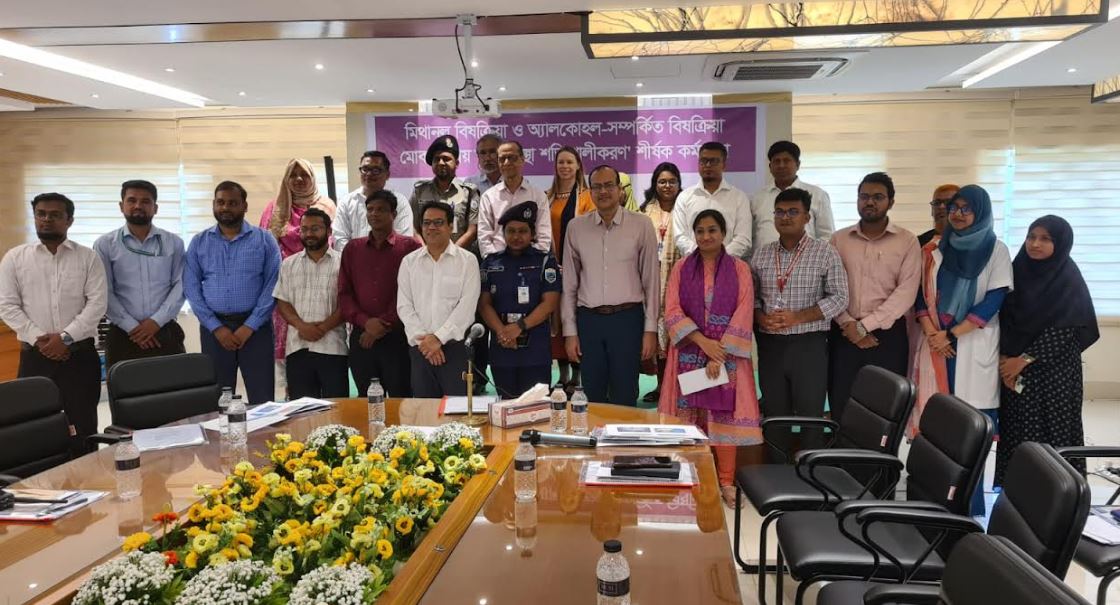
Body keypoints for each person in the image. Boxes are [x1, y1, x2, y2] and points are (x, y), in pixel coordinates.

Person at [911, 184, 1012, 516]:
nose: (956, 213)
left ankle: (967, 502)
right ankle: (932, 497)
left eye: (966, 208)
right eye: (954, 207)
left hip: (969, 344)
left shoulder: (996, 250)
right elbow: (920, 296)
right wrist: (933, 333)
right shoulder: (935, 248)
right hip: (936, 345)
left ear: (980, 212)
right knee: (937, 426)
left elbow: (994, 300)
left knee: (970, 429)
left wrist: (951, 335)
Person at [658, 209, 761, 507]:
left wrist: (720, 354)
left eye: (712, 230)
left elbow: (744, 311)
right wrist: (704, 344)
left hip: (728, 358)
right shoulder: (681, 268)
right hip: (689, 352)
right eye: (700, 231)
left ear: (723, 233)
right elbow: (672, 309)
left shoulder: (740, 269)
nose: (706, 236)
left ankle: (726, 482)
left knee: (722, 421)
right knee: (690, 419)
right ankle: (692, 478)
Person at [0, 193, 107, 455]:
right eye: (41, 214)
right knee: (34, 427)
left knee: (83, 426)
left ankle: (87, 474)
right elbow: (7, 305)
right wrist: (42, 340)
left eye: (55, 215)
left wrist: (65, 338)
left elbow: (97, 304)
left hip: (79, 357)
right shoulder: (15, 258)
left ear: (69, 220)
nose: (47, 219)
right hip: (35, 358)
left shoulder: (88, 257)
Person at [996, 216, 1097, 486]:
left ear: (1060, 243)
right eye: (1031, 237)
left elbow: (1067, 327)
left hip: (1054, 373)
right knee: (1017, 430)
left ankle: (1057, 492)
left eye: (1045, 239)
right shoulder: (1017, 271)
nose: (1035, 244)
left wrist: (1022, 360)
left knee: (1054, 430)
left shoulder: (1067, 277)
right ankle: (1017, 490)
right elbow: (1004, 316)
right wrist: (1005, 360)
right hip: (1013, 371)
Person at [750, 188, 848, 454]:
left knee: (810, 416)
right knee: (774, 414)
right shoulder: (761, 254)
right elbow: (753, 298)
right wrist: (760, 317)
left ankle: (809, 473)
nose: (786, 217)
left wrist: (798, 317)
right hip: (771, 346)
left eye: (793, 212)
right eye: (780, 212)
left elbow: (840, 298)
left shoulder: (825, 253)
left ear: (807, 217)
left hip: (809, 345)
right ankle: (775, 472)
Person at [562, 165, 660, 406]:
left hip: (627, 320)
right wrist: (570, 332)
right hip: (589, 322)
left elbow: (651, 282)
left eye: (609, 185)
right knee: (592, 396)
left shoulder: (642, 225)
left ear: (620, 189)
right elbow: (569, 285)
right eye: (597, 187)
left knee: (625, 395)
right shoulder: (576, 228)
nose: (603, 191)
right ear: (589, 192)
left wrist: (650, 330)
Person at [828, 172, 921, 423]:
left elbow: (906, 293)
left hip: (887, 337)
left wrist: (864, 326)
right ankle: (841, 451)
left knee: (885, 407)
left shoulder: (907, 241)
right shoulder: (839, 239)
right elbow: (828, 287)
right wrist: (848, 324)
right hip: (844, 333)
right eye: (864, 196)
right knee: (842, 403)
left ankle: (881, 452)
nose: (869, 202)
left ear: (891, 202)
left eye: (878, 197)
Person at [184, 181, 282, 404]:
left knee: (262, 398)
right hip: (214, 330)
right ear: (214, 205)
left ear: (244, 206)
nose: (225, 207)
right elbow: (191, 288)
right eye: (220, 202)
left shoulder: (264, 239)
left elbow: (273, 284)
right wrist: (216, 328)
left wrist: (249, 326)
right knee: (218, 398)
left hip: (256, 329)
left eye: (232, 203)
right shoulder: (199, 242)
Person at [94, 179, 186, 369]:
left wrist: (155, 322)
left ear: (155, 208)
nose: (138, 206)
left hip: (165, 331)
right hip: (123, 335)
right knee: (124, 387)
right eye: (132, 200)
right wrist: (133, 327)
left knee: (175, 387)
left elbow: (181, 285)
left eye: (145, 201)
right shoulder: (105, 245)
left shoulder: (173, 243)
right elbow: (103, 291)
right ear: (121, 206)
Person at [338, 190, 421, 398]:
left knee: (401, 399)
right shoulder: (353, 249)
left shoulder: (410, 247)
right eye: (370, 209)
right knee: (367, 400)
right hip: (362, 337)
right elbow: (344, 294)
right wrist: (366, 323)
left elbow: (413, 293)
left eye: (381, 210)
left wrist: (383, 324)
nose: (374, 214)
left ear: (394, 214)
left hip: (398, 336)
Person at [259, 159, 337, 376]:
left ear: (313, 178)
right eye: (293, 175)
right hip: (284, 286)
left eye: (304, 174)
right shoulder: (274, 208)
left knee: (325, 360)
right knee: (290, 362)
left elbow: (335, 245)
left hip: (322, 281)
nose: (299, 179)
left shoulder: (326, 206)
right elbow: (264, 249)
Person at [397, 202, 481, 397]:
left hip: (454, 349)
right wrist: (426, 342)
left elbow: (467, 307)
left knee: (456, 409)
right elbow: (404, 306)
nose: (431, 227)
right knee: (424, 408)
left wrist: (438, 338)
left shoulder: (467, 261)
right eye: (427, 223)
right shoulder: (409, 262)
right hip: (421, 349)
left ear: (451, 226)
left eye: (438, 222)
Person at [479, 201, 562, 397]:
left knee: (537, 406)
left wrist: (519, 327)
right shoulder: (490, 263)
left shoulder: (545, 261)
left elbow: (550, 302)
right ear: (503, 233)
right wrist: (503, 332)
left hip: (535, 349)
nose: (516, 236)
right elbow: (484, 304)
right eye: (511, 231)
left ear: (532, 233)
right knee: (506, 404)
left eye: (523, 231)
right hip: (502, 347)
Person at [272, 208, 347, 399]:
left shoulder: (343, 263)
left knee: (336, 408)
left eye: (315, 229)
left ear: (328, 231)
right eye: (304, 229)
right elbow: (282, 301)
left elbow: (347, 303)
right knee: (302, 409)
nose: (309, 234)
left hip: (333, 348)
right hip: (297, 347)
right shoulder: (289, 264)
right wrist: (302, 326)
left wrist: (322, 328)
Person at [546, 146, 594, 393]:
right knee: (556, 322)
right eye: (560, 162)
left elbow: (591, 233)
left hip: (579, 271)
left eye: (569, 162)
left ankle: (578, 375)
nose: (564, 166)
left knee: (575, 321)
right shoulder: (547, 197)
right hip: (553, 270)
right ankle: (563, 374)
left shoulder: (588, 197)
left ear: (578, 166)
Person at [641, 162, 683, 403]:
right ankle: (661, 387)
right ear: (655, 184)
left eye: (672, 181)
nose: (667, 186)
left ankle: (678, 388)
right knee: (657, 337)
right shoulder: (644, 212)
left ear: (679, 184)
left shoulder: (686, 209)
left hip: (679, 282)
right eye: (662, 181)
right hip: (651, 282)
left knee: (677, 335)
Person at [672, 142, 752, 259]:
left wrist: (721, 259)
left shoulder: (739, 198)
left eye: (713, 161)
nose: (708, 165)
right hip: (694, 264)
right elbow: (680, 236)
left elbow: (743, 238)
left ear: (724, 165)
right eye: (703, 161)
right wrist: (701, 258)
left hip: (729, 264)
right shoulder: (684, 197)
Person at [750, 140, 835, 251]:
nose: (781, 165)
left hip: (807, 260)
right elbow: (750, 238)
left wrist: (813, 257)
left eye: (786, 161)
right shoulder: (757, 198)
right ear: (770, 167)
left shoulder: (817, 195)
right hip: (765, 260)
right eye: (777, 161)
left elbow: (827, 236)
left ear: (798, 165)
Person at [477, 141, 552, 258]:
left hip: (531, 263)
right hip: (498, 263)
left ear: (522, 160)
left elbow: (544, 237)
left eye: (511, 158)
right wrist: (495, 262)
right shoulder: (488, 197)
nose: (507, 163)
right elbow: (484, 237)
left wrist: (531, 261)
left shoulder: (538, 196)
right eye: (502, 159)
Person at [408, 135, 480, 253]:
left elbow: (472, 230)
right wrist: (426, 252)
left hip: (459, 257)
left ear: (457, 163)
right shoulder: (419, 191)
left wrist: (450, 254)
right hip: (426, 257)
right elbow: (413, 227)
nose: (441, 163)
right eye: (436, 159)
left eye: (446, 159)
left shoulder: (469, 192)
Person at [333, 150, 414, 250]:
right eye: (365, 169)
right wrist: (355, 256)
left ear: (387, 174)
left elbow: (404, 239)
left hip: (391, 258)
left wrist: (377, 257)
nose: (368, 174)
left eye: (375, 170)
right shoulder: (346, 202)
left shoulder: (400, 202)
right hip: (354, 258)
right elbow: (339, 238)